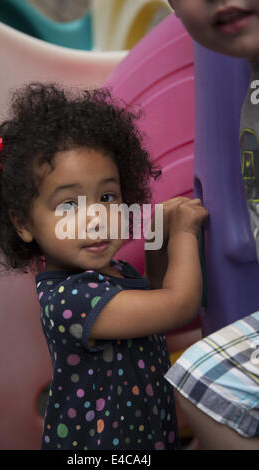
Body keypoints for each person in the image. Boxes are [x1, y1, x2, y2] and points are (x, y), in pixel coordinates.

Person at [0, 83, 208, 450]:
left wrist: (158, 233)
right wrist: (185, 233)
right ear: (23, 224)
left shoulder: (115, 271)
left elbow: (155, 295)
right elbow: (177, 306)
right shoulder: (71, 299)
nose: (95, 218)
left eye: (107, 197)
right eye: (68, 206)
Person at [165, 0, 259, 450]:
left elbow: (178, 306)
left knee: (201, 382)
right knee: (199, 382)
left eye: (107, 198)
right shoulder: (68, 294)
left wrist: (179, 233)